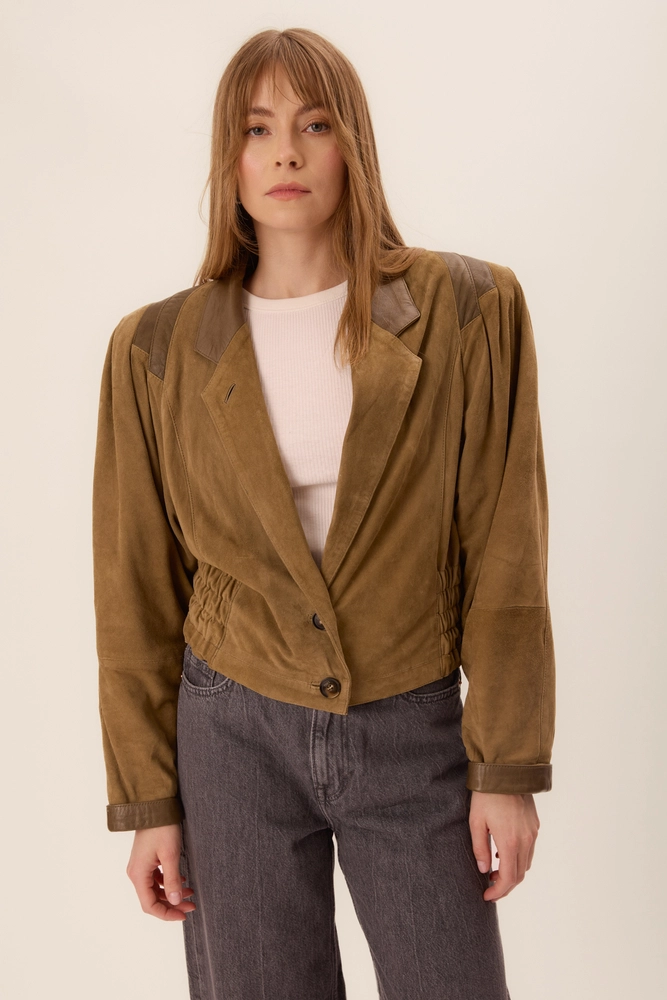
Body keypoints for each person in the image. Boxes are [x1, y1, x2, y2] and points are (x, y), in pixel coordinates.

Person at [92, 26, 555, 1000]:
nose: (285, 154)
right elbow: (133, 589)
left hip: (410, 720)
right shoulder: (155, 350)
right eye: (256, 129)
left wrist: (506, 766)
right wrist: (148, 800)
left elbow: (505, 552)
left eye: (313, 125)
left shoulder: (468, 310)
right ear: (229, 157)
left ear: (353, 144)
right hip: (229, 732)